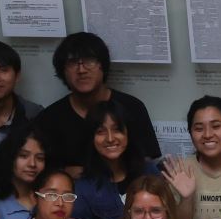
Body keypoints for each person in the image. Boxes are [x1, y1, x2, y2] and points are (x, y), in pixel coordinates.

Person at [32, 31, 159, 173]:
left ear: (102, 66)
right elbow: (39, 168)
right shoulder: (49, 119)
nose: (81, 70)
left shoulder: (132, 107)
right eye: (73, 63)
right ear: (63, 71)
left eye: (89, 61)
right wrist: (65, 173)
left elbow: (147, 164)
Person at [75, 98, 179, 219]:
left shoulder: (149, 171)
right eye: (101, 132)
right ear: (91, 138)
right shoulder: (83, 188)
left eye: (117, 129)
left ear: (128, 133)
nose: (110, 138)